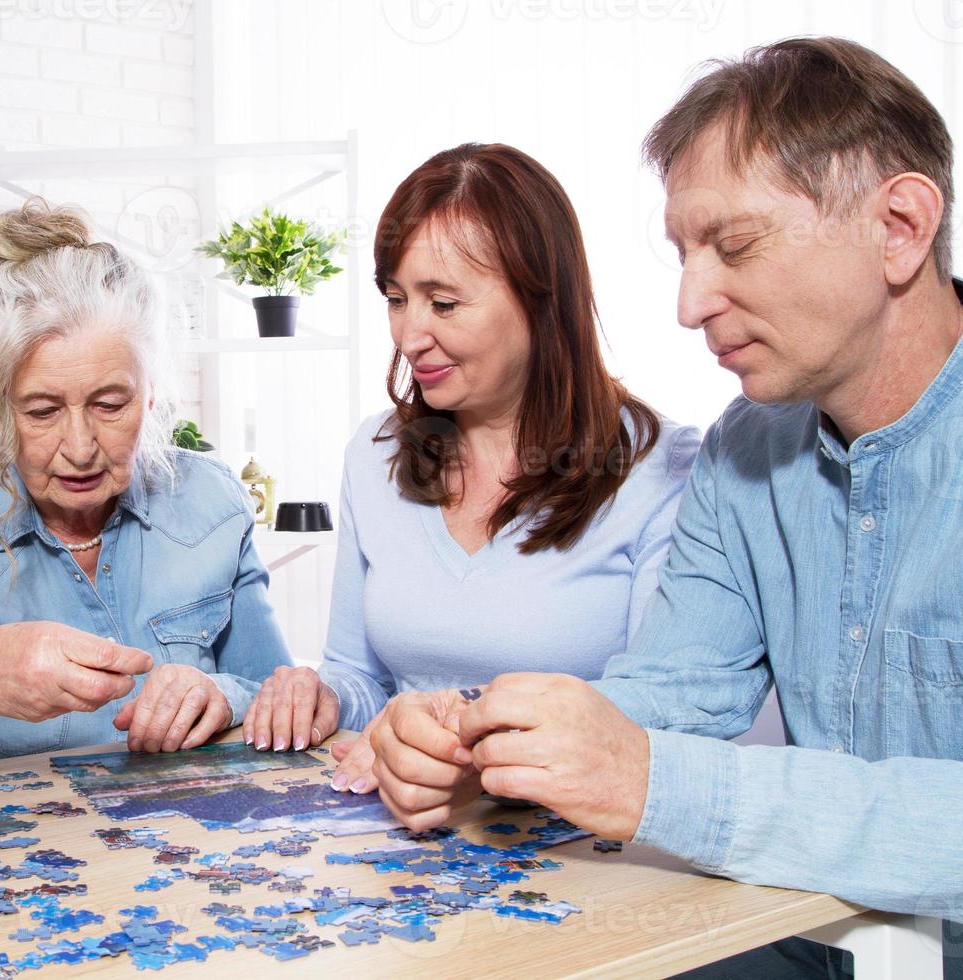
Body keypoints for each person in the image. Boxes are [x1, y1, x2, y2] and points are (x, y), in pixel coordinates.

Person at [370, 36, 963, 957]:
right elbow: (676, 692)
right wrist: (488, 747)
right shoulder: (745, 448)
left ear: (899, 226)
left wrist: (653, 781)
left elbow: (656, 765)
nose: (690, 303)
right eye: (686, 251)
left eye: (735, 245)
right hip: (827, 940)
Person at [239, 143, 700, 796]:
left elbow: (658, 712)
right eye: (396, 299)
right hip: (405, 838)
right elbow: (359, 675)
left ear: (542, 302)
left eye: (444, 304)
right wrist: (324, 697)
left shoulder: (663, 470)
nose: (409, 335)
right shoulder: (372, 454)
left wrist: (452, 720)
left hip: (581, 854)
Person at [0, 199, 291, 782]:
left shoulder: (211, 501)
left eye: (110, 404)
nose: (81, 446)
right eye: (41, 411)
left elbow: (282, 698)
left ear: (150, 392)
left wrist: (223, 697)